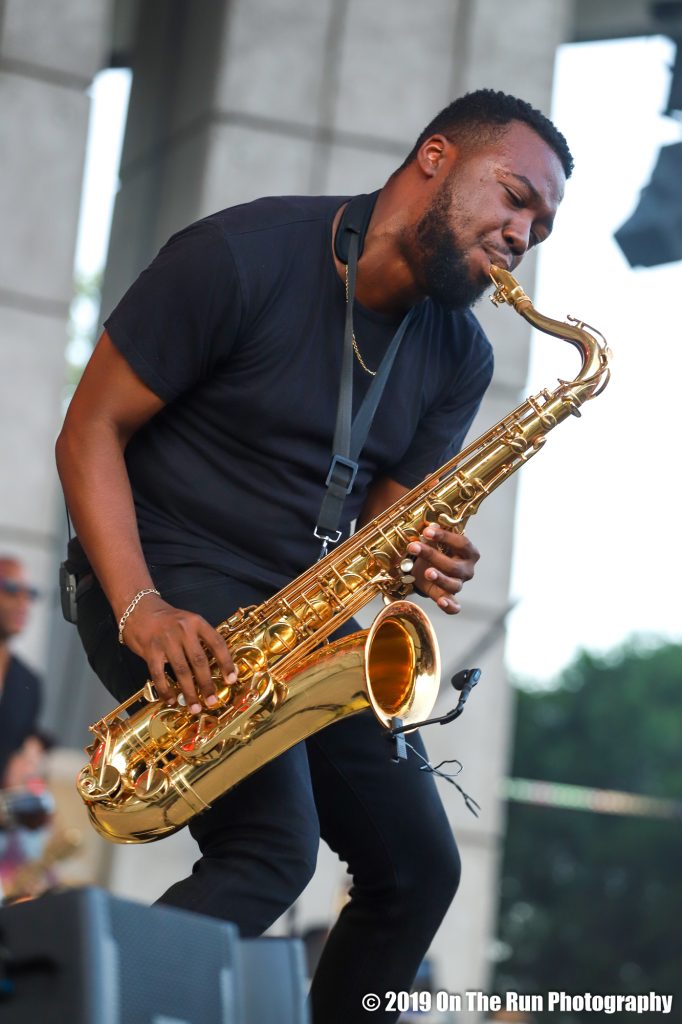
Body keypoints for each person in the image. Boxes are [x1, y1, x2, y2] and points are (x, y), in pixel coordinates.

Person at [56, 89, 572, 1022]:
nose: (523, 234)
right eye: (515, 196)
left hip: (294, 612)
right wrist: (141, 607)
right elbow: (89, 430)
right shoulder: (239, 254)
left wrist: (419, 552)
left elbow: (384, 520)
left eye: (542, 222)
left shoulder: (460, 353)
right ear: (436, 159)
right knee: (271, 851)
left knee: (419, 870)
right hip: (156, 573)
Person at [0, 557, 42, 786]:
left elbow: (26, 738)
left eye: (30, 594)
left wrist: (31, 752)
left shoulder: (28, 682)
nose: (23, 602)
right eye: (12, 590)